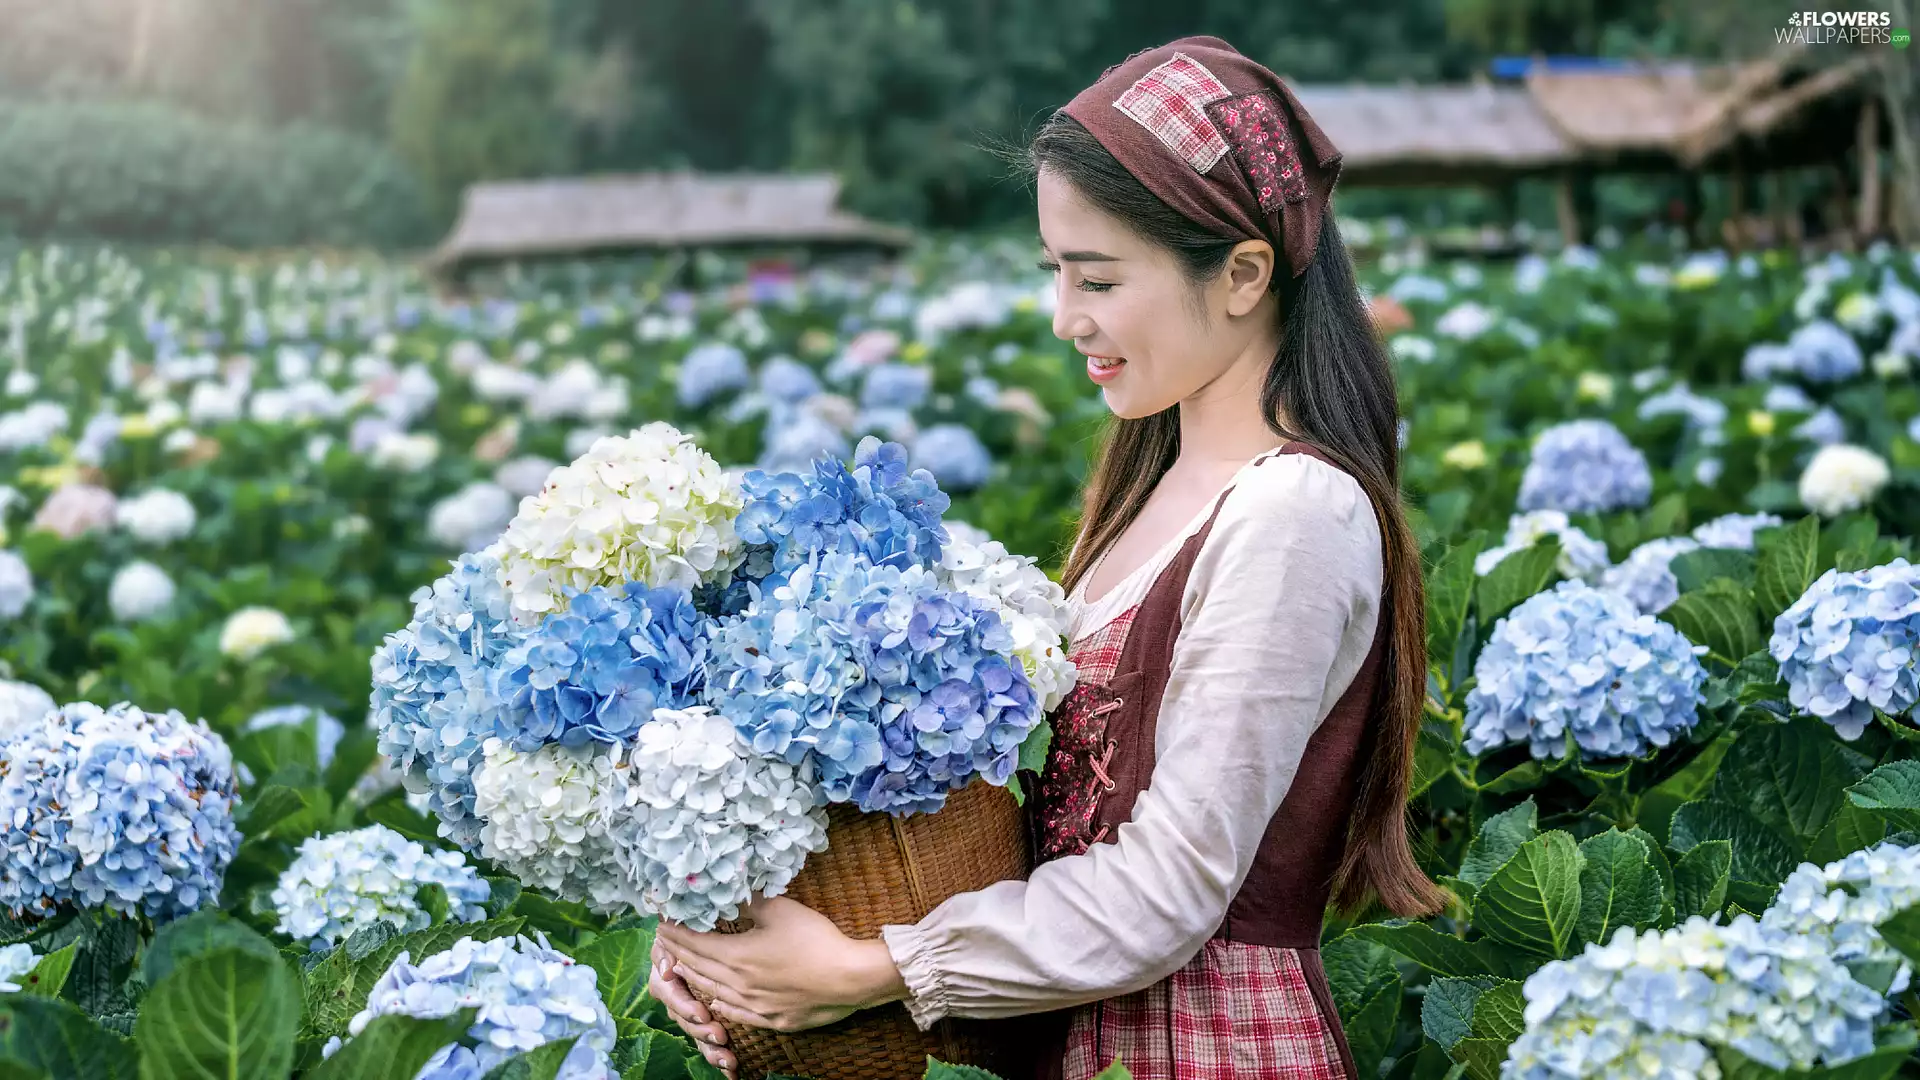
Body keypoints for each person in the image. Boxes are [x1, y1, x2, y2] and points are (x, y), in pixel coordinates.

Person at [648, 34, 1446, 1080]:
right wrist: (735, 948)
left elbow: (1167, 892)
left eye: (1099, 278)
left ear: (1246, 272)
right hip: (1065, 1024)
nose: (1067, 319)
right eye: (1055, 273)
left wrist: (865, 968)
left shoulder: (1294, 513)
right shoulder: (1150, 486)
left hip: (1198, 1044)